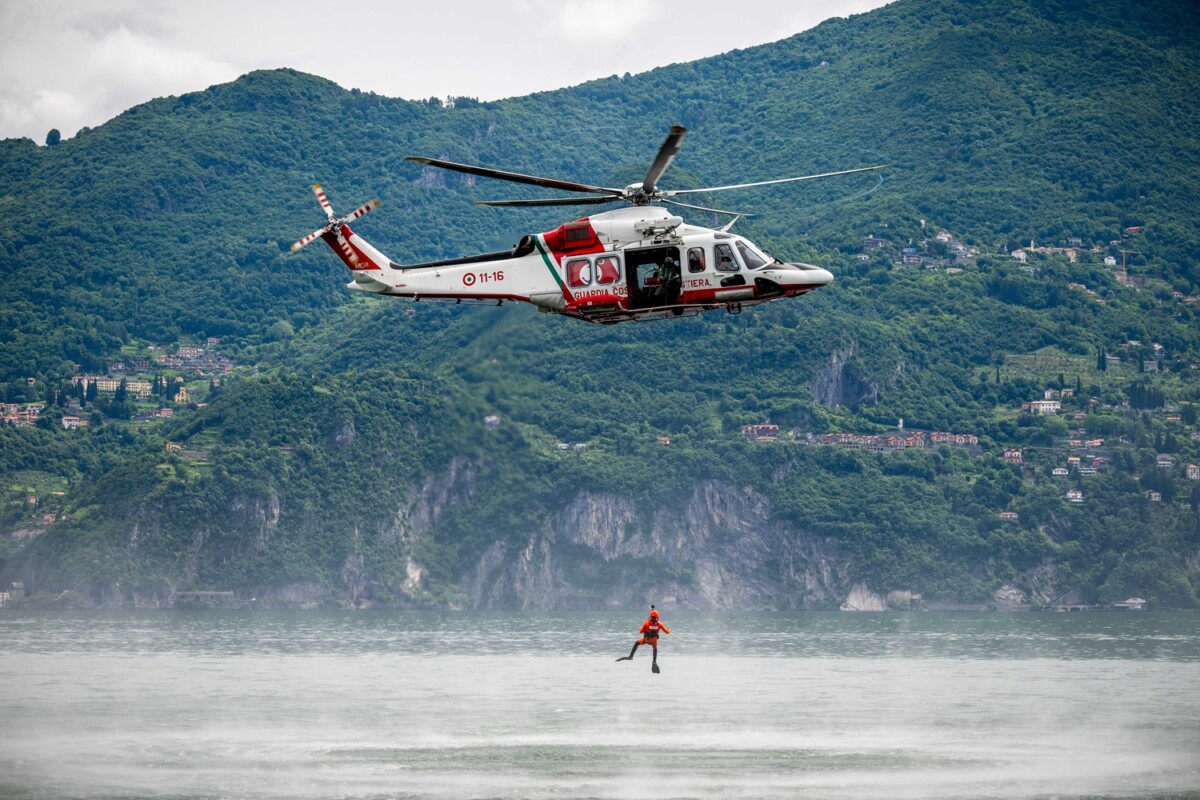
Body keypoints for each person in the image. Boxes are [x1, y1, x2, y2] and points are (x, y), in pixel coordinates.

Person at [616, 605, 671, 671]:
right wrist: (669, 630)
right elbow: (667, 632)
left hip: (646, 640)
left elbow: (640, 631)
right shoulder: (660, 624)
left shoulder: (646, 623)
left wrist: (645, 627)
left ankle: (630, 656)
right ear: (657, 617)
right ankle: (654, 662)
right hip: (654, 641)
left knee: (637, 643)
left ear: (650, 617)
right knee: (655, 648)